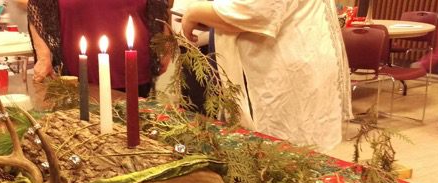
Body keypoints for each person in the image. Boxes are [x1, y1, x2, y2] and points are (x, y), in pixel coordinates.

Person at [181, 0, 352, 151]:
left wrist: (195, 12)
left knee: (276, 155)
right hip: (297, 52)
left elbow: (258, 10)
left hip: (280, 65)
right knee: (292, 154)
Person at [27, 0, 170, 98]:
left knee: (134, 132)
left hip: (134, 69)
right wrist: (43, 56)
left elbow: (159, 5)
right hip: (79, 73)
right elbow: (37, 8)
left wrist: (166, 43)